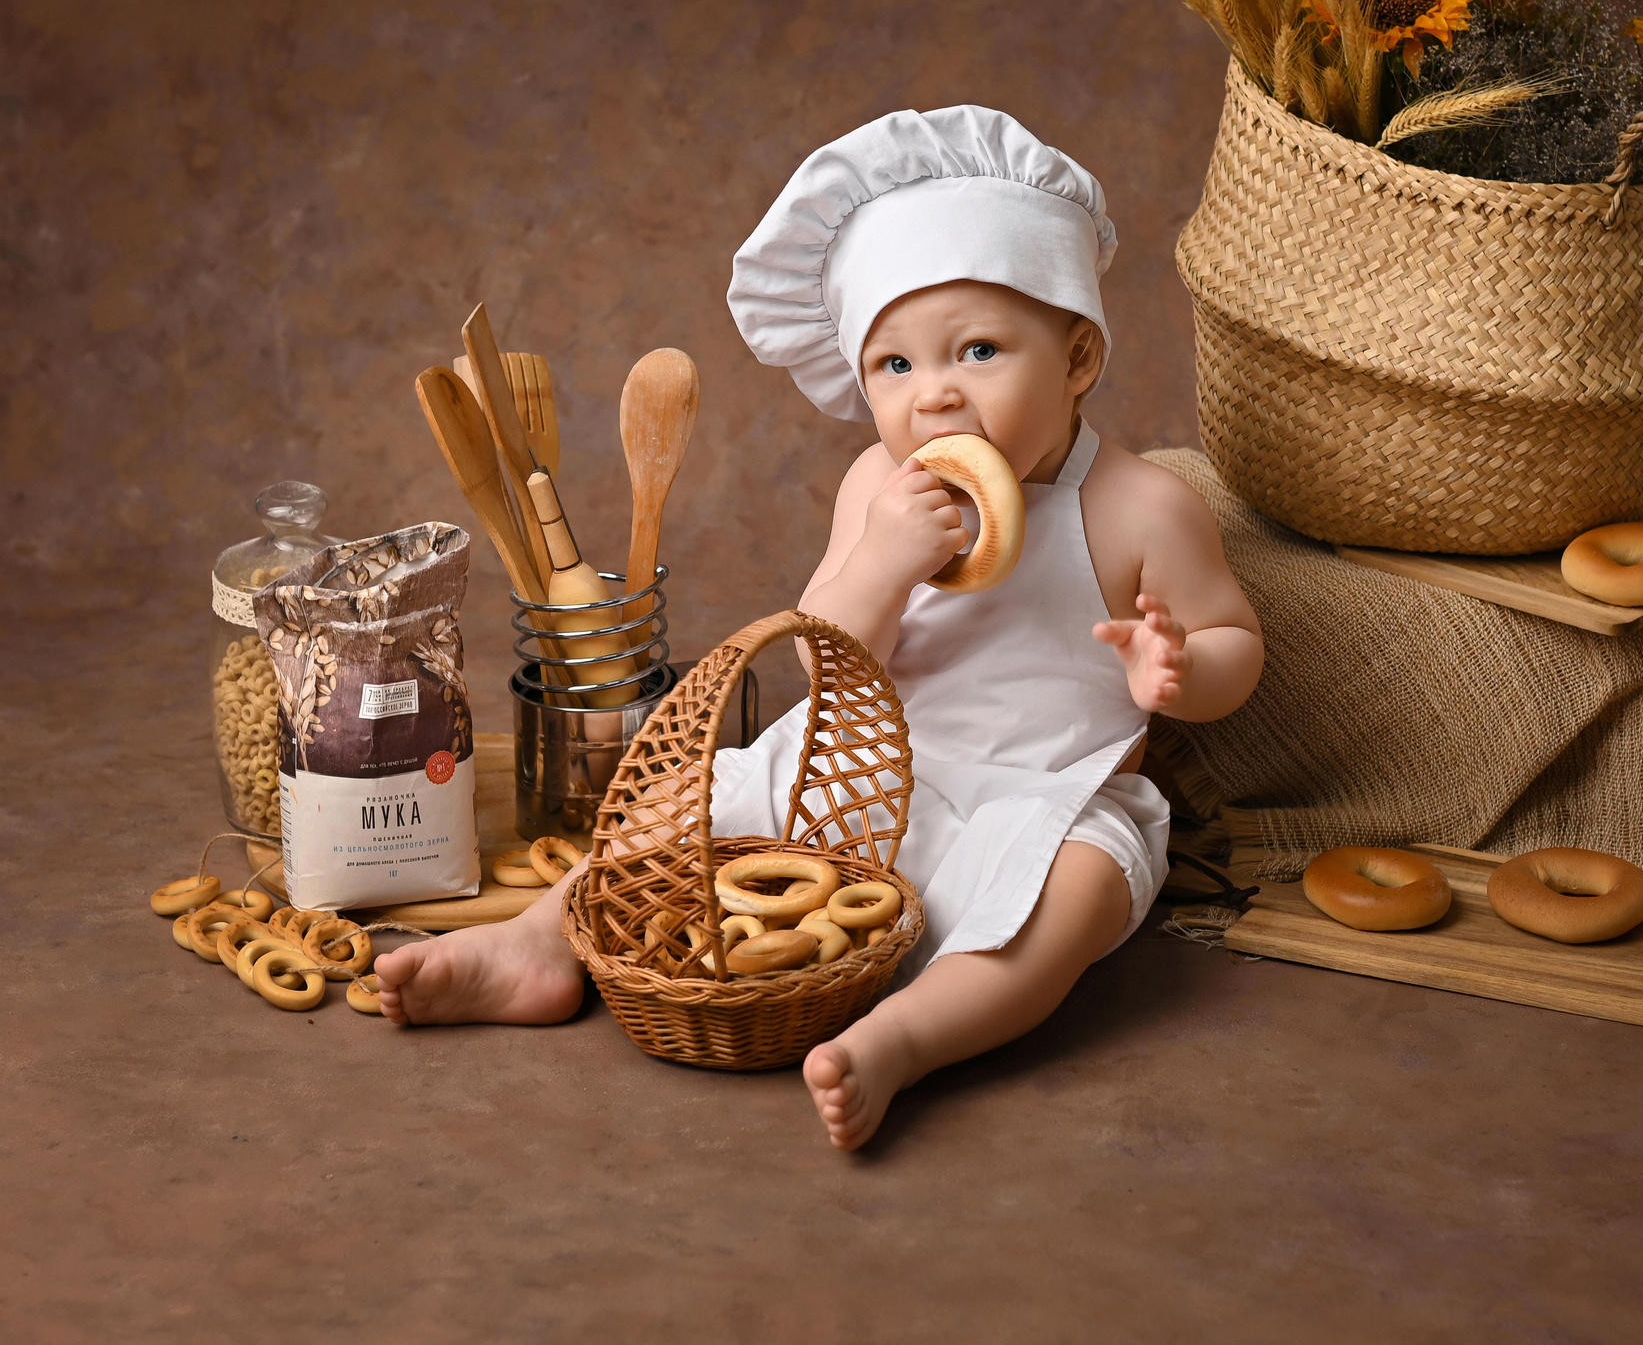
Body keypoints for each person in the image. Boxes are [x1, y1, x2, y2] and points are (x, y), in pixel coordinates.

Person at [374, 106, 1263, 1150]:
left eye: (979, 350)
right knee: (680, 808)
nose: (934, 395)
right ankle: (537, 941)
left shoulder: (1140, 507)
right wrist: (885, 560)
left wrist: (1177, 668)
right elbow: (820, 653)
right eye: (894, 366)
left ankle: (904, 1039)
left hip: (1045, 790)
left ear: (1075, 358)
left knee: (1071, 902)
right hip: (854, 766)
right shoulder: (873, 487)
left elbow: (1235, 646)